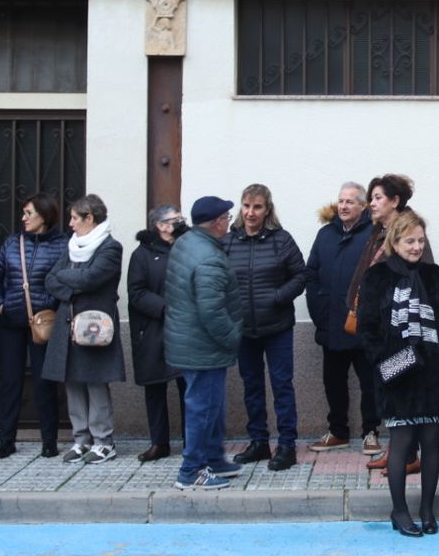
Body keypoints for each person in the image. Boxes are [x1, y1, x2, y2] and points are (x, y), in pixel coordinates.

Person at [360, 212, 439, 537]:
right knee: (400, 442)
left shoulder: (432, 275)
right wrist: (388, 362)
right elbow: (367, 329)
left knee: (431, 441)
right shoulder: (377, 276)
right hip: (396, 372)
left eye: (420, 240)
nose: (416, 246)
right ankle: (399, 510)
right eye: (409, 241)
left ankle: (427, 509)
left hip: (430, 372)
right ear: (395, 242)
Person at [347, 173, 430, 472]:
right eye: (371, 197)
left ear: (395, 201)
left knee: (403, 387)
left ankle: (407, 455)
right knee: (390, 387)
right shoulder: (378, 231)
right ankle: (399, 450)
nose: (371, 203)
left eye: (378, 197)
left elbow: (420, 276)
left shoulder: (409, 232)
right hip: (381, 328)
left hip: (401, 327)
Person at [164, 196, 246, 490]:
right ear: (215, 223)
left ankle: (213, 457)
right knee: (203, 407)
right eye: (226, 217)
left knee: (209, 404)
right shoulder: (208, 257)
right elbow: (211, 310)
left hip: (191, 342)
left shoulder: (187, 243)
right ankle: (192, 470)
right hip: (204, 345)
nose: (229, 221)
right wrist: (233, 337)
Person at [225, 183, 307, 472]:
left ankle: (287, 445)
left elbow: (300, 275)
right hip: (244, 329)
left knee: (282, 385)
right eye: (246, 206)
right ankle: (258, 441)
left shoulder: (281, 240)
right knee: (252, 386)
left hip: (277, 327)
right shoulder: (229, 241)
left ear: (267, 209)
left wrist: (277, 297)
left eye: (257, 207)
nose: (250, 212)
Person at [42, 194, 125, 464]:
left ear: (90, 218)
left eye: (75, 218)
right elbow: (49, 280)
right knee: (73, 382)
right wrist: (74, 284)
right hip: (68, 324)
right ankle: (81, 440)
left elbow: (91, 278)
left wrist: (71, 280)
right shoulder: (72, 246)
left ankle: (104, 441)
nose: (70, 224)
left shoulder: (111, 247)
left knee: (96, 382)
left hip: (93, 326)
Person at [0, 193, 68, 458]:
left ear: (44, 215)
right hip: (11, 321)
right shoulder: (12, 242)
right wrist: (0, 305)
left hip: (43, 322)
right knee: (10, 382)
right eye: (23, 213)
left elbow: (65, 280)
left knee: (45, 383)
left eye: (29, 213)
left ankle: (49, 440)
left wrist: (49, 304)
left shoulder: (63, 244)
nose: (23, 218)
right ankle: (6, 440)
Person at [303, 182, 379, 455]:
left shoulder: (374, 234)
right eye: (341, 201)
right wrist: (320, 312)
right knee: (333, 382)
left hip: (363, 326)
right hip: (331, 324)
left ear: (364, 206)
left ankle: (371, 431)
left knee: (370, 383)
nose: (344, 206)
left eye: (350, 201)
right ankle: (338, 432)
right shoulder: (325, 234)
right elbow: (311, 273)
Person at [127, 205, 188, 462]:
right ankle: (159, 442)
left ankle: (192, 442)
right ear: (161, 225)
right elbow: (137, 292)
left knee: (188, 387)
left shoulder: (187, 249)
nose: (182, 222)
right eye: (176, 219)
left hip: (185, 330)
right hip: (153, 329)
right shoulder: (142, 255)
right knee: (155, 387)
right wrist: (167, 308)